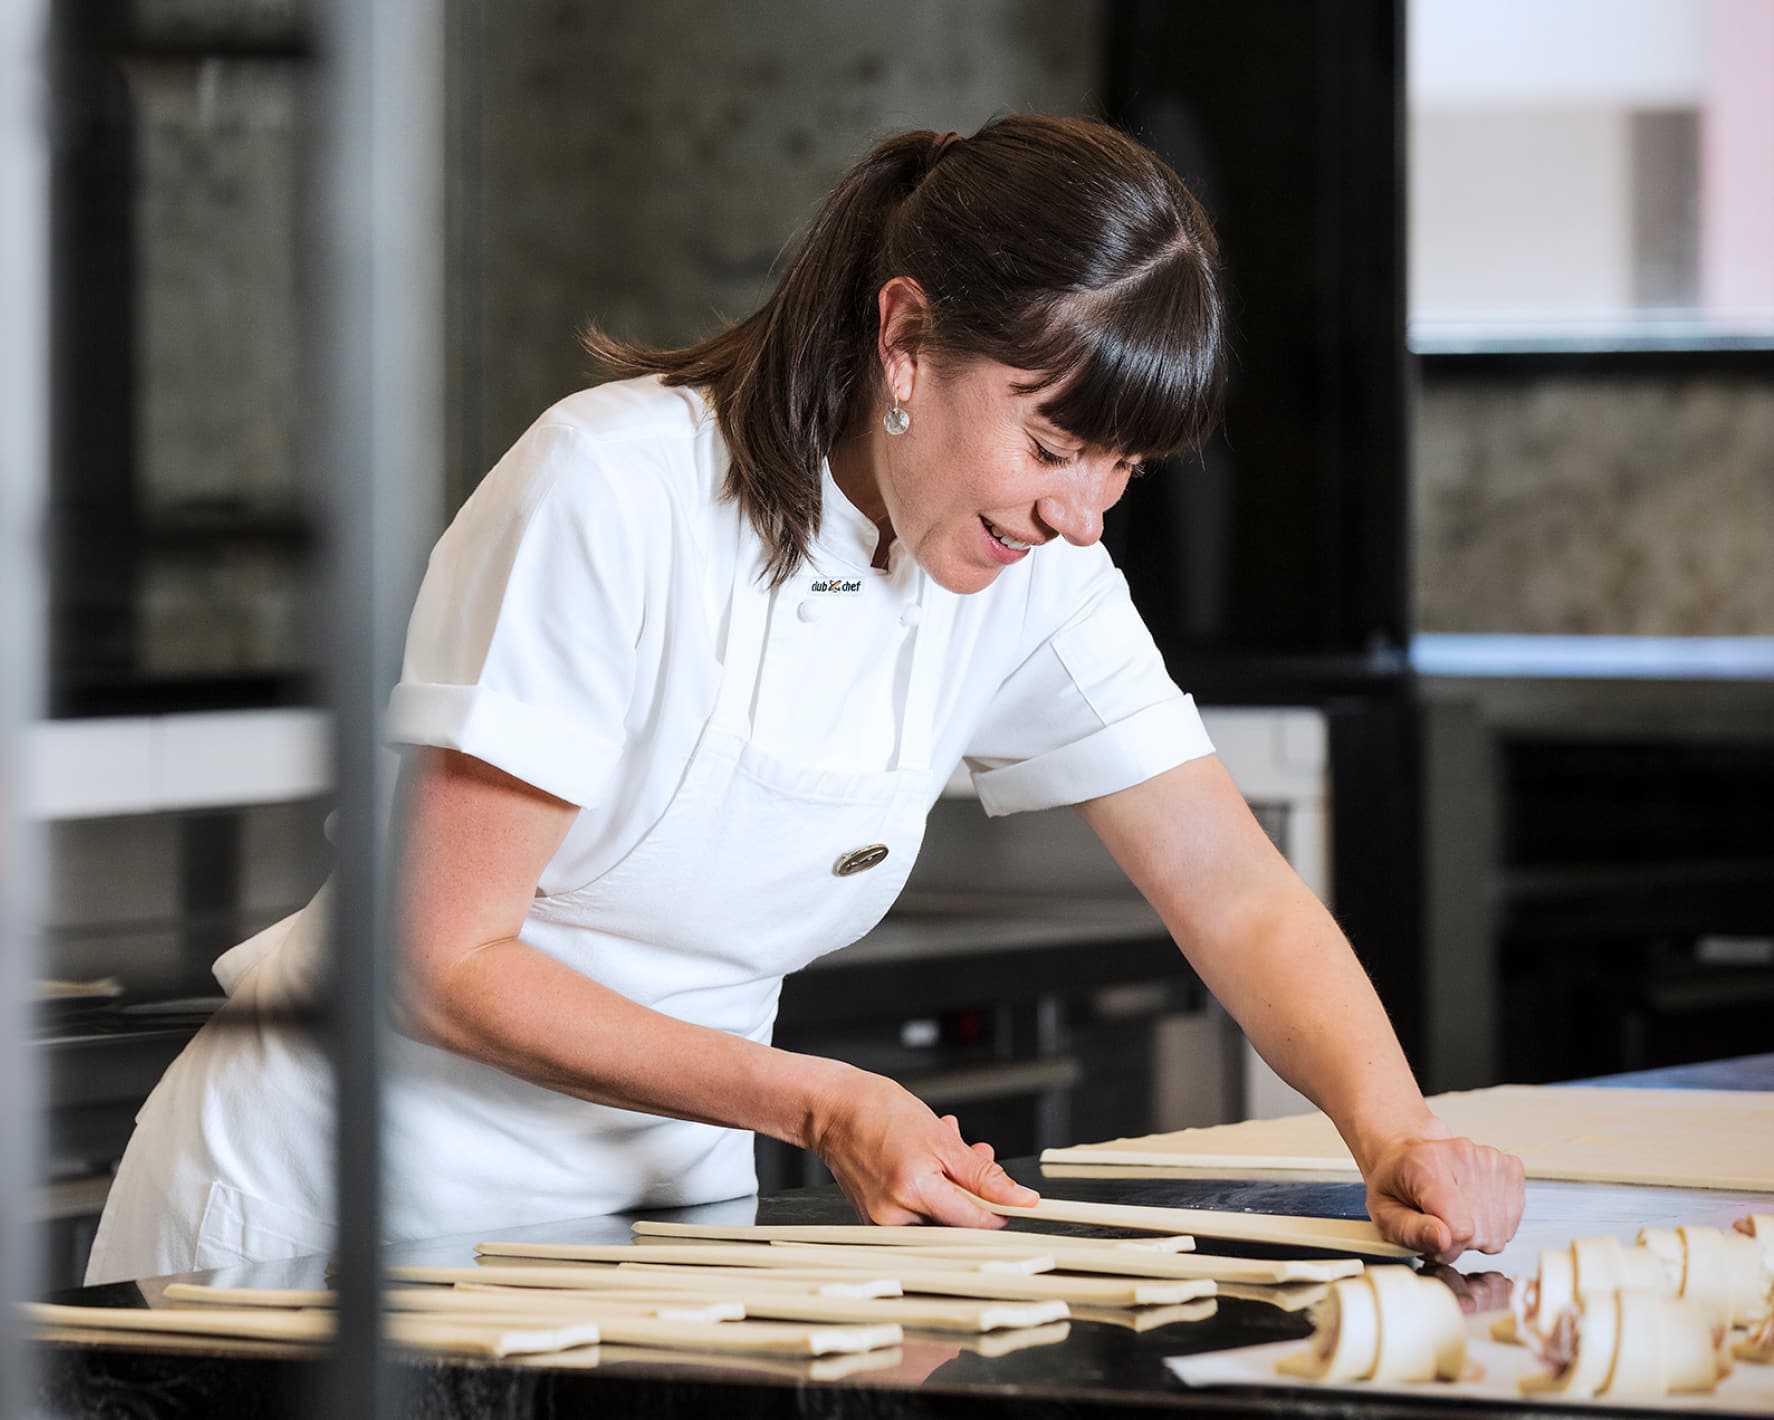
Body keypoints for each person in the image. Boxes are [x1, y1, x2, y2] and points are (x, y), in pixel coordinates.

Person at [86, 114, 1524, 1285]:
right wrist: (821, 1102)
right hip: (335, 1222)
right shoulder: (615, 490)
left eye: (1125, 470)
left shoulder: (1038, 575)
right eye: (1051, 444)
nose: (1082, 514)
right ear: (906, 341)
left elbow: (1235, 892)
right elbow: (441, 958)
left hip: (661, 1229)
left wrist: (1392, 1131)